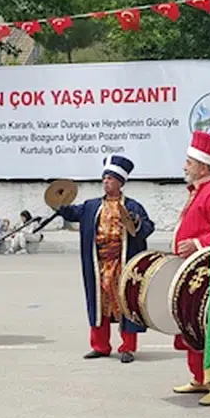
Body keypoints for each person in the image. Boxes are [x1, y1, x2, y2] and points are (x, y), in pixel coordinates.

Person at [56, 155, 155, 363]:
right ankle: (100, 346)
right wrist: (58, 202)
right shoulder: (91, 206)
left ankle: (127, 347)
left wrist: (136, 223)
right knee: (99, 304)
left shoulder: (132, 206)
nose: (106, 182)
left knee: (125, 303)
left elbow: (147, 227)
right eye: (104, 178)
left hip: (123, 263)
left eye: (110, 178)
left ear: (120, 182)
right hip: (98, 264)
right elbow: (71, 213)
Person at [171, 131, 210, 404]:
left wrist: (198, 243)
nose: (184, 167)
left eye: (189, 162)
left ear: (203, 166)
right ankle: (200, 378)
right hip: (192, 272)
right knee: (191, 325)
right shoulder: (199, 191)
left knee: (206, 327)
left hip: (207, 272)